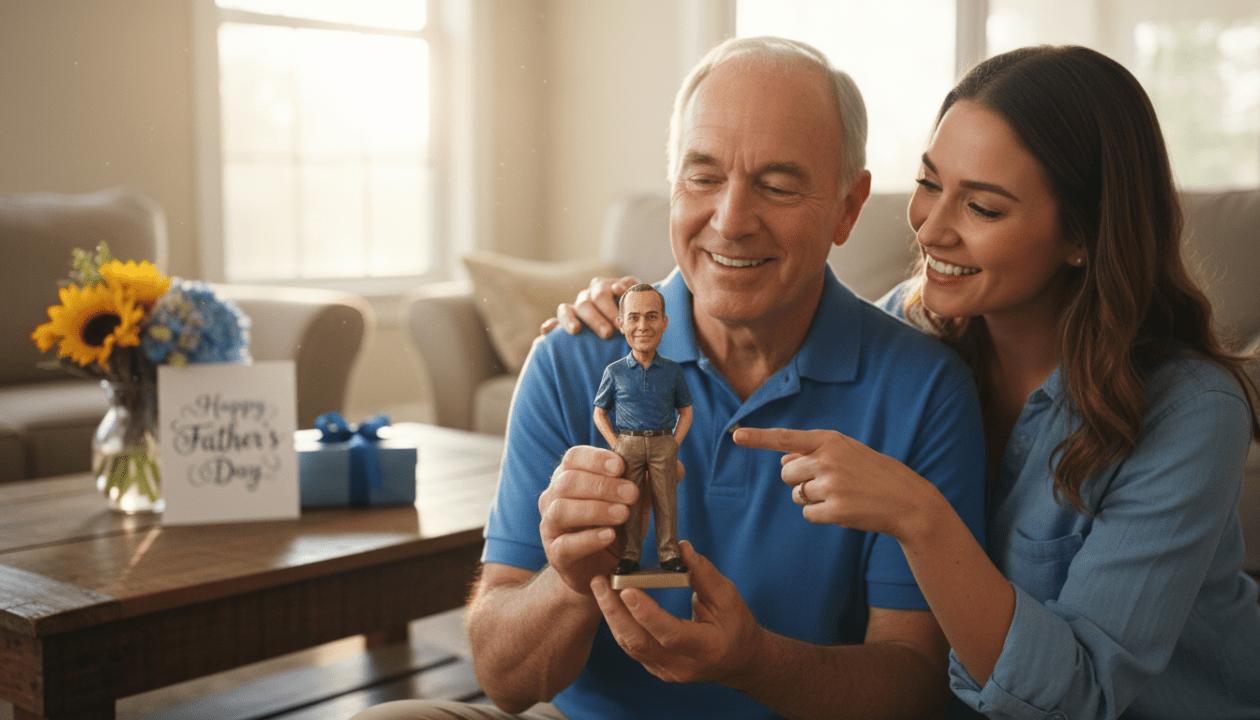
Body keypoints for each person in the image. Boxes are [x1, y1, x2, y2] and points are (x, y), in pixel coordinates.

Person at [561, 45, 1260, 720]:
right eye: (929, 184)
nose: (931, 228)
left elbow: (1078, 696)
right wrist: (636, 306)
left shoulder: (1192, 412)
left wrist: (920, 517)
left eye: (983, 208)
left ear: (1082, 235)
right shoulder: (910, 335)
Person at [349, 36, 987, 720]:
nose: (731, 221)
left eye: (776, 185)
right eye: (703, 177)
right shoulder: (573, 358)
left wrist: (756, 663)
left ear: (847, 207)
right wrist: (568, 582)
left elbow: (915, 684)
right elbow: (505, 680)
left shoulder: (926, 389)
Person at [592, 283, 693, 577]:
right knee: (630, 502)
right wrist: (616, 444)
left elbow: (686, 411)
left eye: (651, 317)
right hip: (628, 444)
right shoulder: (615, 372)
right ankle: (629, 556)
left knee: (666, 502)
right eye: (634, 317)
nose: (642, 326)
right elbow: (600, 412)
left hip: (663, 443)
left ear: (664, 323)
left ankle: (669, 554)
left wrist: (674, 442)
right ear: (621, 323)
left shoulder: (673, 371)